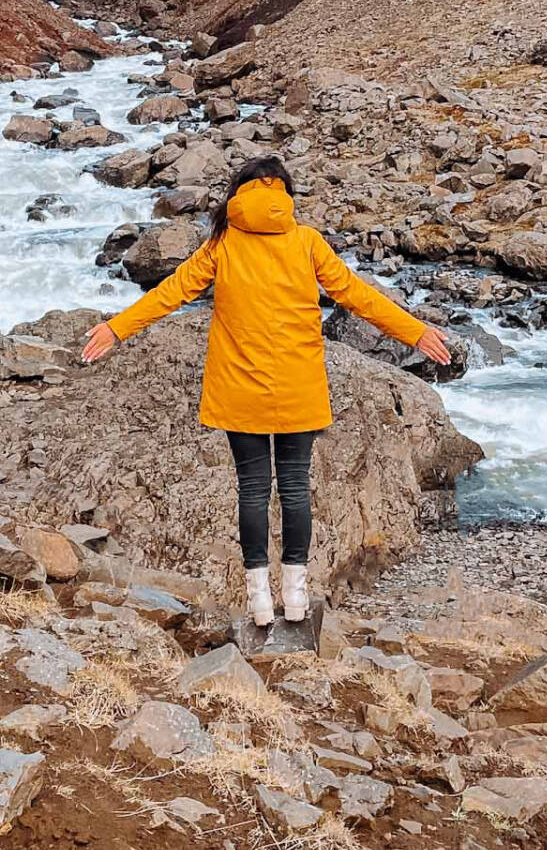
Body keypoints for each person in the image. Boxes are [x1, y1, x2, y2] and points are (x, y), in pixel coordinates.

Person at [82, 156, 450, 627]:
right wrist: (414, 331)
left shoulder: (223, 244)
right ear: (284, 196)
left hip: (240, 392)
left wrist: (117, 329)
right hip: (298, 388)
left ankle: (259, 601)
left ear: (240, 194)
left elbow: (170, 293)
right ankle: (295, 596)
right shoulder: (307, 242)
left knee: (253, 491)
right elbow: (358, 295)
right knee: (295, 489)